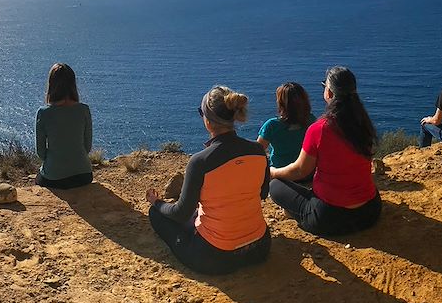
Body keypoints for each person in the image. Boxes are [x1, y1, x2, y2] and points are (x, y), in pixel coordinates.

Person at [146, 86, 270, 275]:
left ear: (208, 121)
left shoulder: (200, 161)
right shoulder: (258, 151)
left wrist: (157, 202)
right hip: (259, 248)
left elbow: (180, 213)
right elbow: (262, 194)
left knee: (156, 215)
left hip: (216, 257)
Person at [269, 67, 381, 236]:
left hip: (330, 218)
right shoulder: (363, 122)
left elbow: (300, 170)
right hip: (370, 211)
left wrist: (274, 172)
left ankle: (295, 213)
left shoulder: (320, 128)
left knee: (275, 186)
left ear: (329, 93)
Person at [35, 63, 93, 189]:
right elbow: (87, 147)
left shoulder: (43, 113)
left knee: (38, 179)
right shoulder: (84, 109)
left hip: (54, 178)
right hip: (84, 176)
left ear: (51, 85)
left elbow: (41, 152)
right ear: (73, 84)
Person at [257, 82, 315, 172]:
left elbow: (257, 151)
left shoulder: (272, 125)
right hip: (306, 172)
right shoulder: (311, 120)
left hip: (280, 173)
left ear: (281, 103)